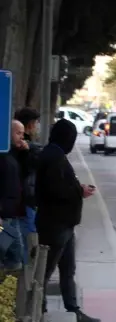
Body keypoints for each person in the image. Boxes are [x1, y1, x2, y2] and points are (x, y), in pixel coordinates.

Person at [36, 119, 100, 322]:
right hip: (55, 224)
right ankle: (40, 308)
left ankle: (73, 309)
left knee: (67, 270)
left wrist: (77, 189)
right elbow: (54, 190)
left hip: (65, 225)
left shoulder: (56, 155)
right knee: (46, 270)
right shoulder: (53, 157)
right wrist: (79, 191)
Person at [13, 107, 42, 263]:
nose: (37, 126)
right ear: (30, 124)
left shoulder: (24, 148)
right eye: (36, 123)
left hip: (23, 203)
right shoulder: (26, 149)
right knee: (25, 243)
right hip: (24, 204)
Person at [0, 120, 28, 271]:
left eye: (23, 134)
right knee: (15, 255)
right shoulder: (2, 154)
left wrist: (24, 153)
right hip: (4, 216)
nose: (21, 138)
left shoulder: (13, 154)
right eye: (18, 133)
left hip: (12, 213)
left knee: (14, 255)